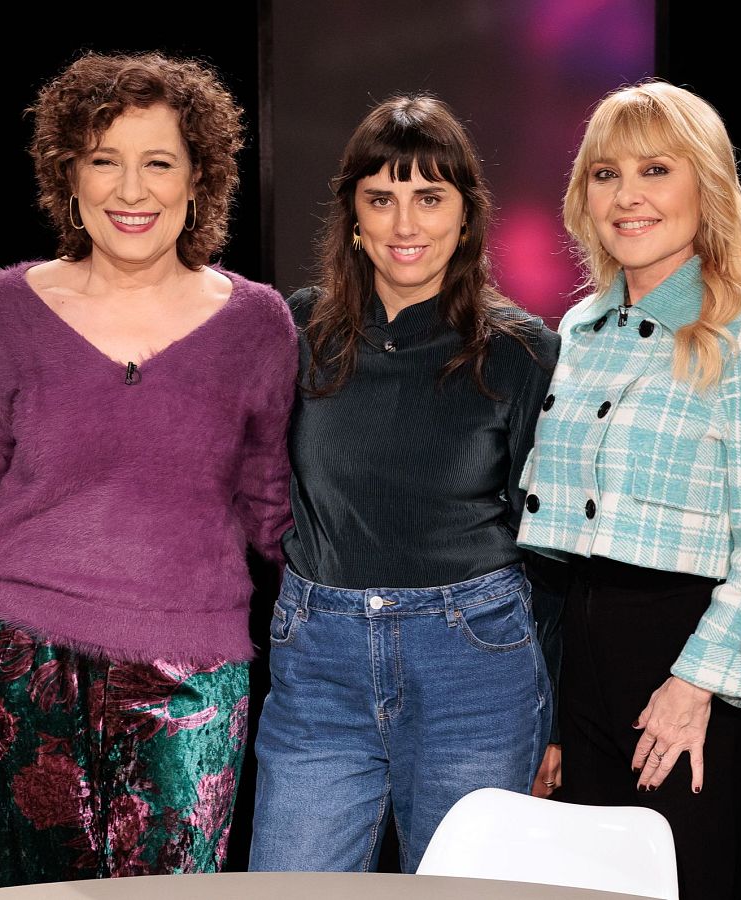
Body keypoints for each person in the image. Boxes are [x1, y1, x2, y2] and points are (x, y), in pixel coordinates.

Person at [0, 52, 294, 887]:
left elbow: (270, 503)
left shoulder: (259, 323)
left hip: (192, 668)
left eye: (158, 162)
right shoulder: (0, 307)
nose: (130, 191)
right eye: (105, 161)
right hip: (19, 658)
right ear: (69, 175)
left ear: (199, 179)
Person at [244, 94, 562, 874]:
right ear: (353, 214)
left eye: (429, 197)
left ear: (465, 215)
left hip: (474, 667)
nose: (405, 223)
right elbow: (211, 455)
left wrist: (554, 715)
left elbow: (552, 546)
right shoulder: (299, 331)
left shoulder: (521, 351)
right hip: (318, 661)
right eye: (381, 199)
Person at [516, 80, 741, 899]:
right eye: (606, 175)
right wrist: (553, 701)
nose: (628, 196)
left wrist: (695, 685)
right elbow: (554, 542)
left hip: (692, 666)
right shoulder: (575, 332)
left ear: (705, 187)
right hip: (584, 658)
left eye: (655, 170)